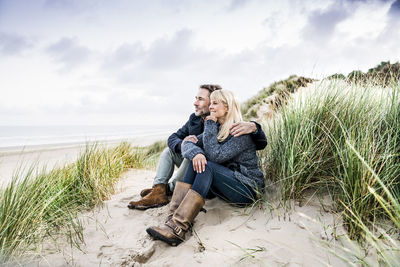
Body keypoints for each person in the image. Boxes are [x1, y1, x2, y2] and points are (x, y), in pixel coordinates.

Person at [146, 89, 265, 246]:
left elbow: (215, 155)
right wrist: (196, 153)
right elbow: (188, 143)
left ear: (227, 107)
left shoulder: (240, 132)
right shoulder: (219, 130)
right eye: (211, 103)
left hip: (247, 189)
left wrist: (209, 123)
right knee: (197, 160)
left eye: (215, 103)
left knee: (206, 165)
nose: (211, 107)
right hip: (229, 185)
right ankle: (173, 219)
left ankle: (179, 227)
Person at [128, 84, 267, 210]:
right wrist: (193, 150)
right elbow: (177, 139)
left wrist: (255, 127)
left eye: (203, 100)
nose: (196, 103)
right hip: (215, 173)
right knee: (175, 153)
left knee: (202, 162)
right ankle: (161, 193)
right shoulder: (199, 120)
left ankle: (172, 197)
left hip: (238, 182)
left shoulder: (237, 129)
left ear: (226, 107)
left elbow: (216, 155)